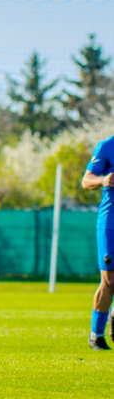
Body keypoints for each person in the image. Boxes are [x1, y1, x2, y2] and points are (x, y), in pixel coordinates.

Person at [83, 137, 114, 350]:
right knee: (110, 280)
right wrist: (103, 180)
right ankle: (96, 335)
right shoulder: (106, 146)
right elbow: (86, 180)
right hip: (110, 222)